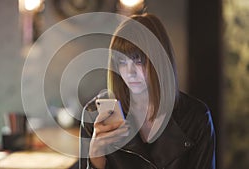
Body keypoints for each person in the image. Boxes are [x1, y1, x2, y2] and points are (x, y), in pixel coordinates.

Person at [79, 13, 216, 169]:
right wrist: (96, 155)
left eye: (138, 60)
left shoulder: (195, 117)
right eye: (122, 62)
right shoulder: (94, 115)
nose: (130, 72)